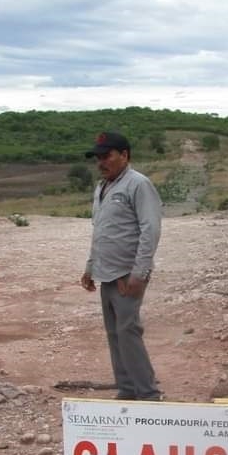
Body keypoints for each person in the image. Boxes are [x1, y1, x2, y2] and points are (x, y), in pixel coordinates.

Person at [79, 131, 163, 401]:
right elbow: (101, 231)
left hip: (128, 275)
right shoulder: (102, 187)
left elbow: (150, 229)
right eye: (98, 158)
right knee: (115, 334)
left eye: (107, 156)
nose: (101, 162)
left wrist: (140, 272)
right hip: (106, 273)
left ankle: (148, 395)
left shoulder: (138, 184)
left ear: (124, 155)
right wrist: (91, 267)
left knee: (129, 333)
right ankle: (126, 390)